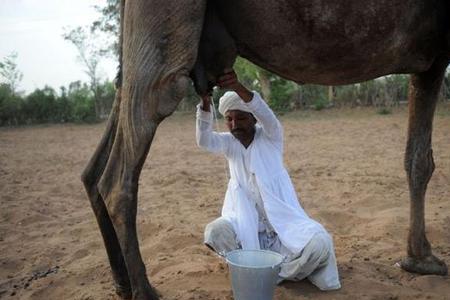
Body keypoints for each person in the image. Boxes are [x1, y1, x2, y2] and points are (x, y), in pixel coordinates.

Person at [196, 69, 341, 290]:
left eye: (241, 118)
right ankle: (252, 266)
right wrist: (206, 102)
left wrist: (237, 86)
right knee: (214, 232)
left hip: (284, 228)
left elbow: (265, 112)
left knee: (320, 244)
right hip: (246, 227)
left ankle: (276, 274)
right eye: (229, 119)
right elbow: (204, 140)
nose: (234, 125)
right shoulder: (228, 143)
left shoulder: (272, 136)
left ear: (253, 118)